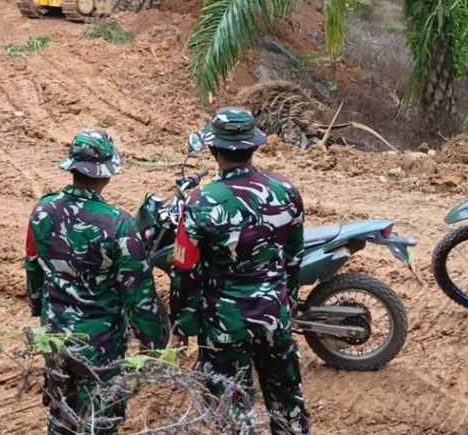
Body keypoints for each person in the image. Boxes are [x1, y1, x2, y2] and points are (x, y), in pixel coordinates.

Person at [171, 107, 310, 435]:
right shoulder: (287, 191)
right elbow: (294, 257)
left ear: (213, 149)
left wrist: (182, 323)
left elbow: (185, 271)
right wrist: (287, 302)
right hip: (274, 315)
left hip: (223, 324)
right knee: (287, 405)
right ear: (254, 147)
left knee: (232, 413)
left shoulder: (201, 202)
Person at [25, 130, 168, 435]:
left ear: (73, 167)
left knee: (61, 415)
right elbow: (138, 292)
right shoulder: (118, 223)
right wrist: (154, 341)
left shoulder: (43, 210)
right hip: (101, 342)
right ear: (107, 173)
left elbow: (34, 265)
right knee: (100, 419)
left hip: (55, 332)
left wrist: (39, 308)